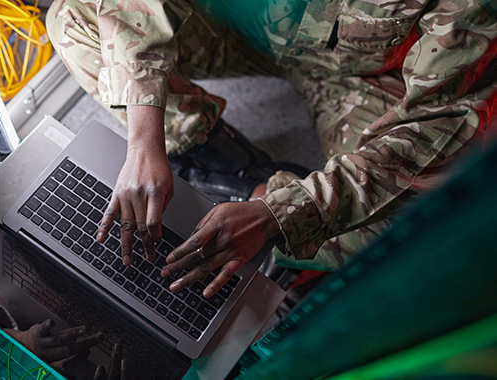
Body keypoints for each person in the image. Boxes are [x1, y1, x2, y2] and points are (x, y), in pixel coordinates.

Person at [45, 0, 497, 298]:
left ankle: (253, 187)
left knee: (424, 224)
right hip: (240, 30)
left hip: (363, 75)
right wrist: (145, 139)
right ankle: (198, 145)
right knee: (75, 17)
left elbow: (436, 128)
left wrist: (280, 211)